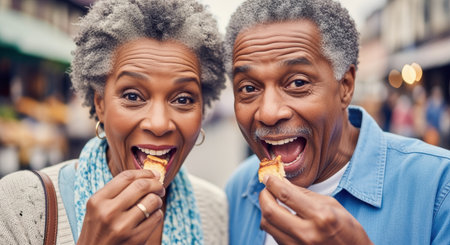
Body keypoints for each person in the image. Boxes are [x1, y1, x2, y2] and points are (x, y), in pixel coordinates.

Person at [0, 0, 228, 244]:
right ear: (100, 104)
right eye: (132, 96)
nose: (160, 124)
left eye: (183, 99)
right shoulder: (20, 203)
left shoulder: (215, 209)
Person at [224, 0, 450, 244]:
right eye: (248, 88)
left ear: (345, 86)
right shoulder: (239, 190)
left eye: (298, 83)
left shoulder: (439, 188)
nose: (268, 113)